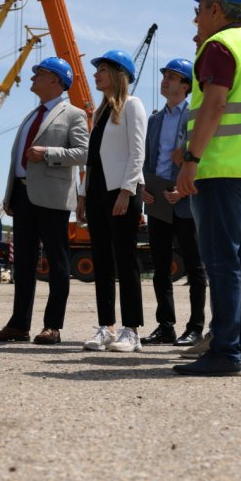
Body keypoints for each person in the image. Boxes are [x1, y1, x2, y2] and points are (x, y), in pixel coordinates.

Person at [173, 0, 241, 377]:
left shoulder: (218, 46)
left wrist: (191, 159)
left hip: (221, 167)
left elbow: (214, 105)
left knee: (221, 262)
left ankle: (225, 352)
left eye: (199, 8)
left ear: (216, 8)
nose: (196, 17)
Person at [0, 57, 89, 345]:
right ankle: (19, 325)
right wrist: (10, 194)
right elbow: (16, 158)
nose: (32, 78)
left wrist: (49, 153)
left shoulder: (73, 114)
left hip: (52, 198)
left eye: (38, 74)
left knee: (57, 262)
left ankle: (52, 326)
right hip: (22, 196)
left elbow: (83, 152)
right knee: (23, 263)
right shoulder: (32, 115)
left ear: (55, 79)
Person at [76, 50, 147, 353]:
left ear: (119, 74)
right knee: (102, 260)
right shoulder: (99, 112)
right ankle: (106, 327)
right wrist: (82, 195)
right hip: (97, 192)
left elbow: (137, 151)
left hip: (122, 191)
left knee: (125, 259)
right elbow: (92, 159)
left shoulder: (133, 105)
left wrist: (126, 191)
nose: (96, 74)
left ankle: (132, 330)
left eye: (102, 69)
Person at [140, 58, 207, 347]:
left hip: (186, 198)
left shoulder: (195, 117)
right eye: (164, 75)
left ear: (186, 85)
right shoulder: (154, 120)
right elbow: (147, 159)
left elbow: (204, 158)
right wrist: (143, 187)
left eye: (172, 76)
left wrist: (184, 189)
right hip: (157, 198)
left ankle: (195, 327)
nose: (165, 80)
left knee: (194, 266)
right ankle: (165, 325)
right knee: (160, 266)